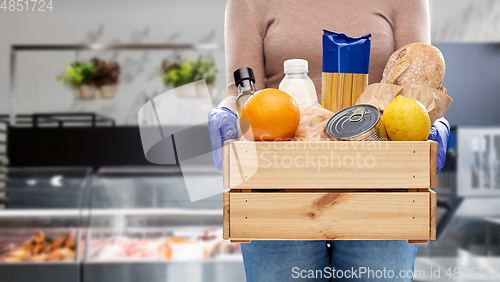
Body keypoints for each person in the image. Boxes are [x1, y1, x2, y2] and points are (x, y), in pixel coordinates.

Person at [209, 0, 450, 281]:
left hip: (379, 193)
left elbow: (418, 88)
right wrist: (228, 114)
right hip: (278, 192)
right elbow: (241, 90)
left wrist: (427, 120)